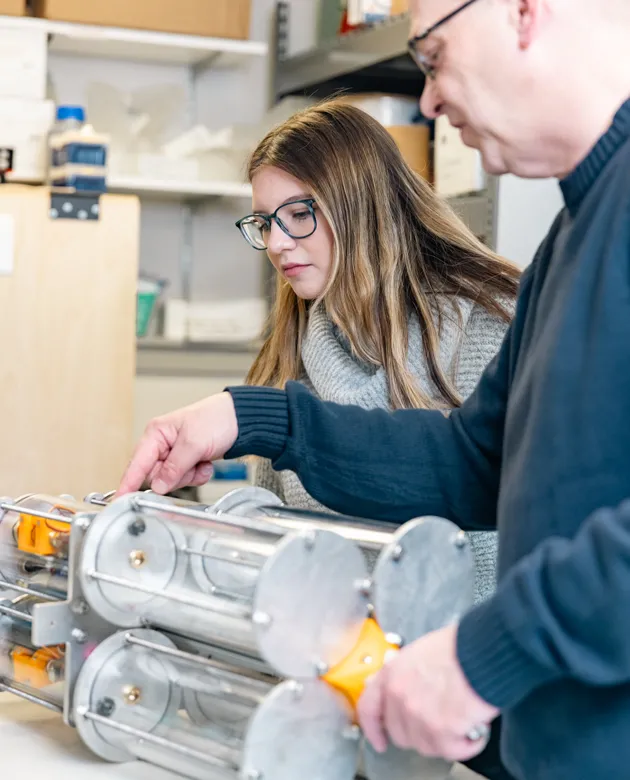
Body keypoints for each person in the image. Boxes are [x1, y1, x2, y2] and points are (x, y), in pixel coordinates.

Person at [117, 1, 630, 779]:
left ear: (523, 13)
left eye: (433, 56)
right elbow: (473, 461)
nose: (427, 102)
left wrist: (481, 651)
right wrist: (254, 418)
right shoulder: (574, 236)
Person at [238, 101, 518, 606]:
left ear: (359, 205)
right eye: (263, 222)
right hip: (337, 667)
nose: (277, 243)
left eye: (300, 214)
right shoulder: (287, 357)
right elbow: (275, 544)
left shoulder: (491, 325)